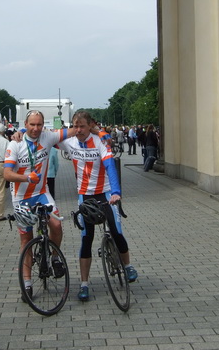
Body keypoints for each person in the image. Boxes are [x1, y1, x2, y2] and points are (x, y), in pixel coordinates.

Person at [57, 111, 138, 302]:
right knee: (87, 239)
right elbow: (43, 137)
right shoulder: (69, 141)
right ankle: (84, 284)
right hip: (85, 195)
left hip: (106, 193)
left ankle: (127, 266)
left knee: (116, 232)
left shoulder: (100, 141)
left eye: (83, 126)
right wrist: (20, 131)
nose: (79, 130)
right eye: (76, 126)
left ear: (90, 125)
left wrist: (116, 192)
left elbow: (110, 166)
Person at [3, 110, 78, 301]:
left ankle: (54, 257)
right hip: (21, 198)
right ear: (25, 125)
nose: (35, 129)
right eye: (32, 125)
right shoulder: (15, 143)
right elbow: (7, 174)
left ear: (43, 125)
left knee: (57, 225)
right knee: (26, 242)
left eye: (39, 125)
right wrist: (26, 177)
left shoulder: (48, 136)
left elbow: (74, 130)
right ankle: (27, 284)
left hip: (42, 193)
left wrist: (93, 128)